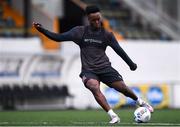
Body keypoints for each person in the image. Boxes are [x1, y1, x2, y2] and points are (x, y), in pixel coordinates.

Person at [33, 5, 154, 124]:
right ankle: (113, 116)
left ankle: (140, 102)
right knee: (94, 87)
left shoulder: (107, 35)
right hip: (89, 70)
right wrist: (42, 30)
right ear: (88, 19)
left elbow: (119, 50)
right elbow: (58, 37)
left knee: (122, 88)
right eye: (94, 20)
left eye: (98, 19)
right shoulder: (79, 32)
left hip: (105, 68)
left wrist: (131, 64)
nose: (97, 22)